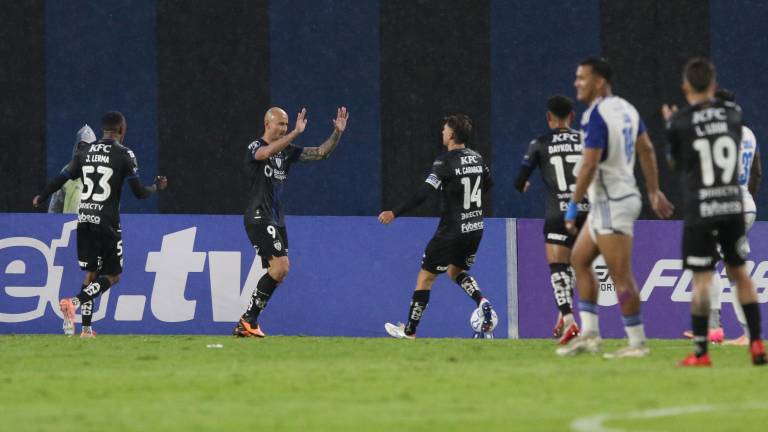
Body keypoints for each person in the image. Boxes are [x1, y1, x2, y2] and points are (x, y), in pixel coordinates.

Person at [556, 57, 674, 358]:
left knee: (620, 275)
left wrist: (572, 206)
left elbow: (590, 165)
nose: (576, 83)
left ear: (599, 81)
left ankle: (637, 343)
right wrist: (652, 189)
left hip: (612, 202)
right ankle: (591, 335)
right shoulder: (626, 109)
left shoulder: (595, 115)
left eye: (582, 78)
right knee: (579, 260)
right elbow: (646, 148)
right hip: (612, 201)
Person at [665, 58, 765, 366]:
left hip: (705, 204)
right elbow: (756, 172)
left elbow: (678, 164)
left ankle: (710, 338)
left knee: (704, 274)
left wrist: (671, 126)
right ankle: (755, 341)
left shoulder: (686, 121)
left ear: (686, 87)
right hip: (738, 201)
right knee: (738, 269)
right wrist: (746, 197)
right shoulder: (740, 124)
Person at [33, 111, 168, 337]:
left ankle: (86, 328)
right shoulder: (125, 154)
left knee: (91, 273)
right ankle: (74, 302)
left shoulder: (85, 151)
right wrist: (156, 186)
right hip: (106, 221)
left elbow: (62, 178)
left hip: (84, 218)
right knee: (113, 276)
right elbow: (140, 193)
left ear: (104, 129)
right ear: (122, 130)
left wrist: (42, 195)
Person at [233, 106, 349, 337]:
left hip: (276, 220)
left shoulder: (286, 152)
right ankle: (248, 320)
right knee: (281, 267)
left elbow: (320, 153)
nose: (284, 128)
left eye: (286, 125)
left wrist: (337, 133)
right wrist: (295, 133)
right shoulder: (254, 147)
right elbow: (264, 154)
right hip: (258, 216)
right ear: (267, 124)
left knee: (279, 272)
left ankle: (248, 322)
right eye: (280, 124)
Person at [379, 114, 496, 339]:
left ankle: (410, 332)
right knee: (456, 271)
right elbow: (487, 184)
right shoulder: (478, 158)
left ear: (451, 135)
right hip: (475, 228)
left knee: (425, 278)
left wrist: (395, 212)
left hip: (451, 230)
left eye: (444, 130)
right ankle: (482, 301)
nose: (442, 133)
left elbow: (424, 193)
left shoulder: (444, 162)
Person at [514, 95, 589, 344]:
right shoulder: (585, 139)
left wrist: (523, 184)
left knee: (558, 266)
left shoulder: (540, 143)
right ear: (573, 116)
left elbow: (519, 180)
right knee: (576, 265)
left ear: (549, 118)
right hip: (586, 211)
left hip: (558, 212)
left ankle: (568, 318)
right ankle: (564, 312)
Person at [47, 125, 97, 214]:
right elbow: (55, 205)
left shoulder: (102, 171)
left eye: (88, 147)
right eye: (81, 147)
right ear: (76, 148)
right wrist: (52, 224)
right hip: (68, 226)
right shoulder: (66, 171)